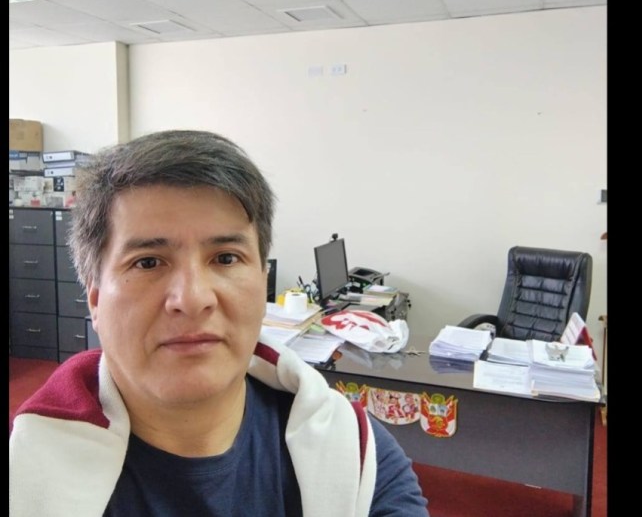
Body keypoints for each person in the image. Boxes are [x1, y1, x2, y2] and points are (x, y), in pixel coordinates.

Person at [9, 130, 429, 516]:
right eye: (148, 262)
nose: (192, 299)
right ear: (96, 300)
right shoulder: (24, 476)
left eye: (226, 258)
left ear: (262, 283)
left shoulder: (356, 456)